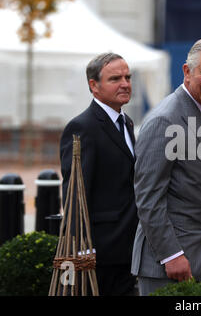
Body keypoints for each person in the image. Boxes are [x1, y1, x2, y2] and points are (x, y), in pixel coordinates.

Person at [131, 38, 201, 296]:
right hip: (170, 266)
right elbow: (148, 198)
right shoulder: (164, 120)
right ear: (187, 72)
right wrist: (171, 255)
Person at [60, 53, 138, 295]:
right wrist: (81, 246)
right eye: (115, 78)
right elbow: (74, 192)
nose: (125, 83)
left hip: (128, 248)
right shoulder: (82, 127)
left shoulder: (127, 123)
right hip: (99, 253)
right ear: (94, 86)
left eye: (127, 77)